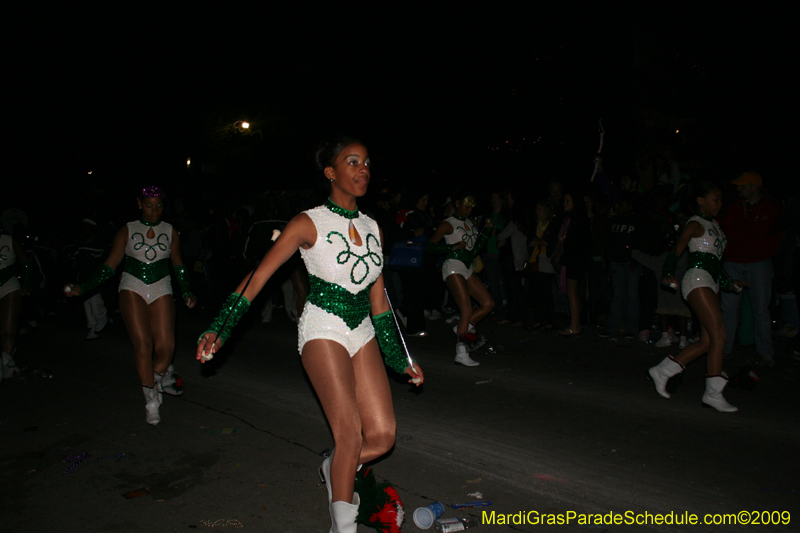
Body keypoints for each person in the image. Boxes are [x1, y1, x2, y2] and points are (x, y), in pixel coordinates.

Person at [196, 138, 423, 533]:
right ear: (330, 172)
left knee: (383, 437)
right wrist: (220, 326)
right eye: (352, 162)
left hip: (363, 329)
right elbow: (259, 277)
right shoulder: (308, 222)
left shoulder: (372, 227)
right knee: (349, 433)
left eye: (367, 162)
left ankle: (335, 463)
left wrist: (400, 358)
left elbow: (379, 300)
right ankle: (343, 525)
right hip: (324, 326)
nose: (363, 169)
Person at [65, 187, 196, 424]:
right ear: (139, 203)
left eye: (159, 205)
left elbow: (178, 264)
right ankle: (151, 400)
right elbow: (109, 265)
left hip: (161, 286)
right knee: (144, 345)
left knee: (166, 347)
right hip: (132, 286)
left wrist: (187, 290)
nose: (154, 210)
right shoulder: (127, 229)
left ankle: (157, 376)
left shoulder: (170, 231)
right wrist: (84, 287)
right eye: (149, 205)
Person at [648, 181, 745, 412]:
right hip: (697, 279)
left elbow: (714, 262)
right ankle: (713, 393)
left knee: (708, 341)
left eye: (721, 199)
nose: (720, 204)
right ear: (701, 200)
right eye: (716, 198)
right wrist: (668, 273)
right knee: (720, 334)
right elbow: (677, 250)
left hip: (710, 281)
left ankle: (663, 370)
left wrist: (729, 283)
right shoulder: (694, 223)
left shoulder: (716, 227)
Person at [718, 172, 783, 367]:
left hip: (759, 262)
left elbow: (767, 231)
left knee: (761, 309)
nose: (738, 189)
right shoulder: (735, 207)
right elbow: (729, 230)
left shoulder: (771, 206)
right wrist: (751, 233)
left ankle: (765, 353)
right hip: (734, 261)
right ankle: (724, 349)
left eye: (742, 186)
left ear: (754, 186)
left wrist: (748, 234)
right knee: (728, 308)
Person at [427, 192, 494, 366]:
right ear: (457, 203)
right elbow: (430, 246)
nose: (469, 209)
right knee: (466, 310)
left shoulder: (470, 224)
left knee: (488, 304)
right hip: (453, 267)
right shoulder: (448, 224)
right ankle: (461, 352)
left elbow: (473, 251)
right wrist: (451, 247)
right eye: (466, 205)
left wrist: (487, 232)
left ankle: (462, 329)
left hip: (467, 267)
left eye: (472, 206)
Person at [556, 190, 592, 336]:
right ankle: (576, 323)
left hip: (575, 258)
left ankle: (574, 325)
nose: (565, 203)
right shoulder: (571, 218)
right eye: (564, 200)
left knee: (572, 291)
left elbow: (579, 242)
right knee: (573, 291)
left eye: (568, 201)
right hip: (573, 258)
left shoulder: (578, 219)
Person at [0, 227, 31, 381]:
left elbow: (26, 262)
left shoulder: (9, 240)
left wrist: (26, 283)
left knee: (8, 329)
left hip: (8, 284)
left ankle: (7, 364)